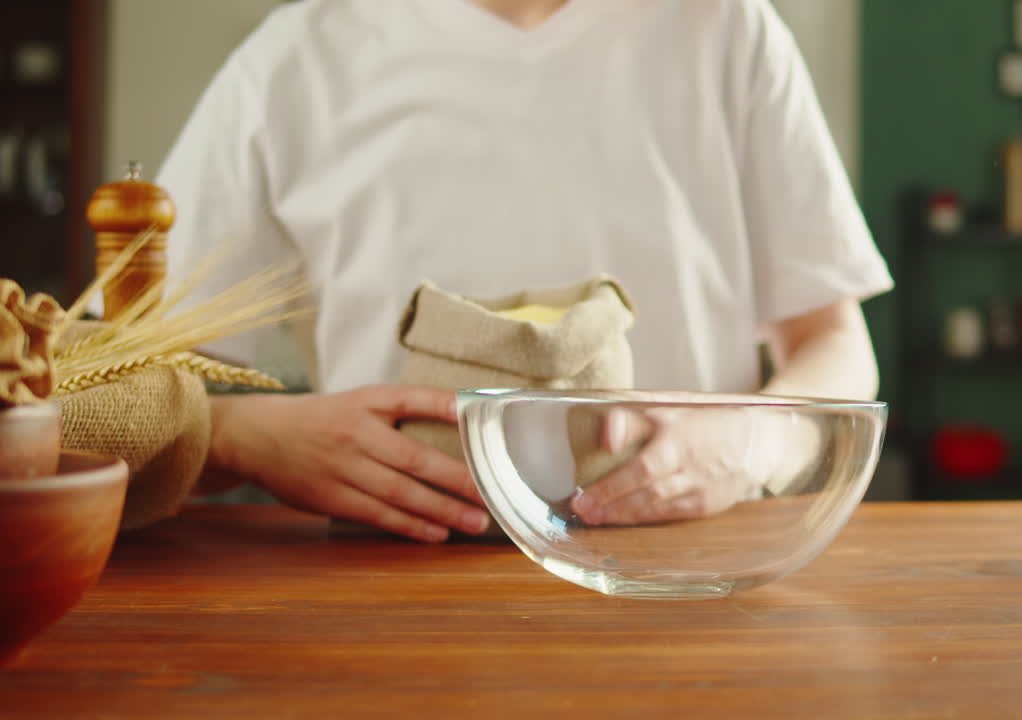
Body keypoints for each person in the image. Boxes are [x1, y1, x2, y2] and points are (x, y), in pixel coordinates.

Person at [159, 0, 894, 542]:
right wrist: (244, 435)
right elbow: (139, 390)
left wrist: (748, 444)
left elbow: (835, 347)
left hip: (689, 573)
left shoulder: (728, 28)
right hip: (395, 580)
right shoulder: (288, 61)